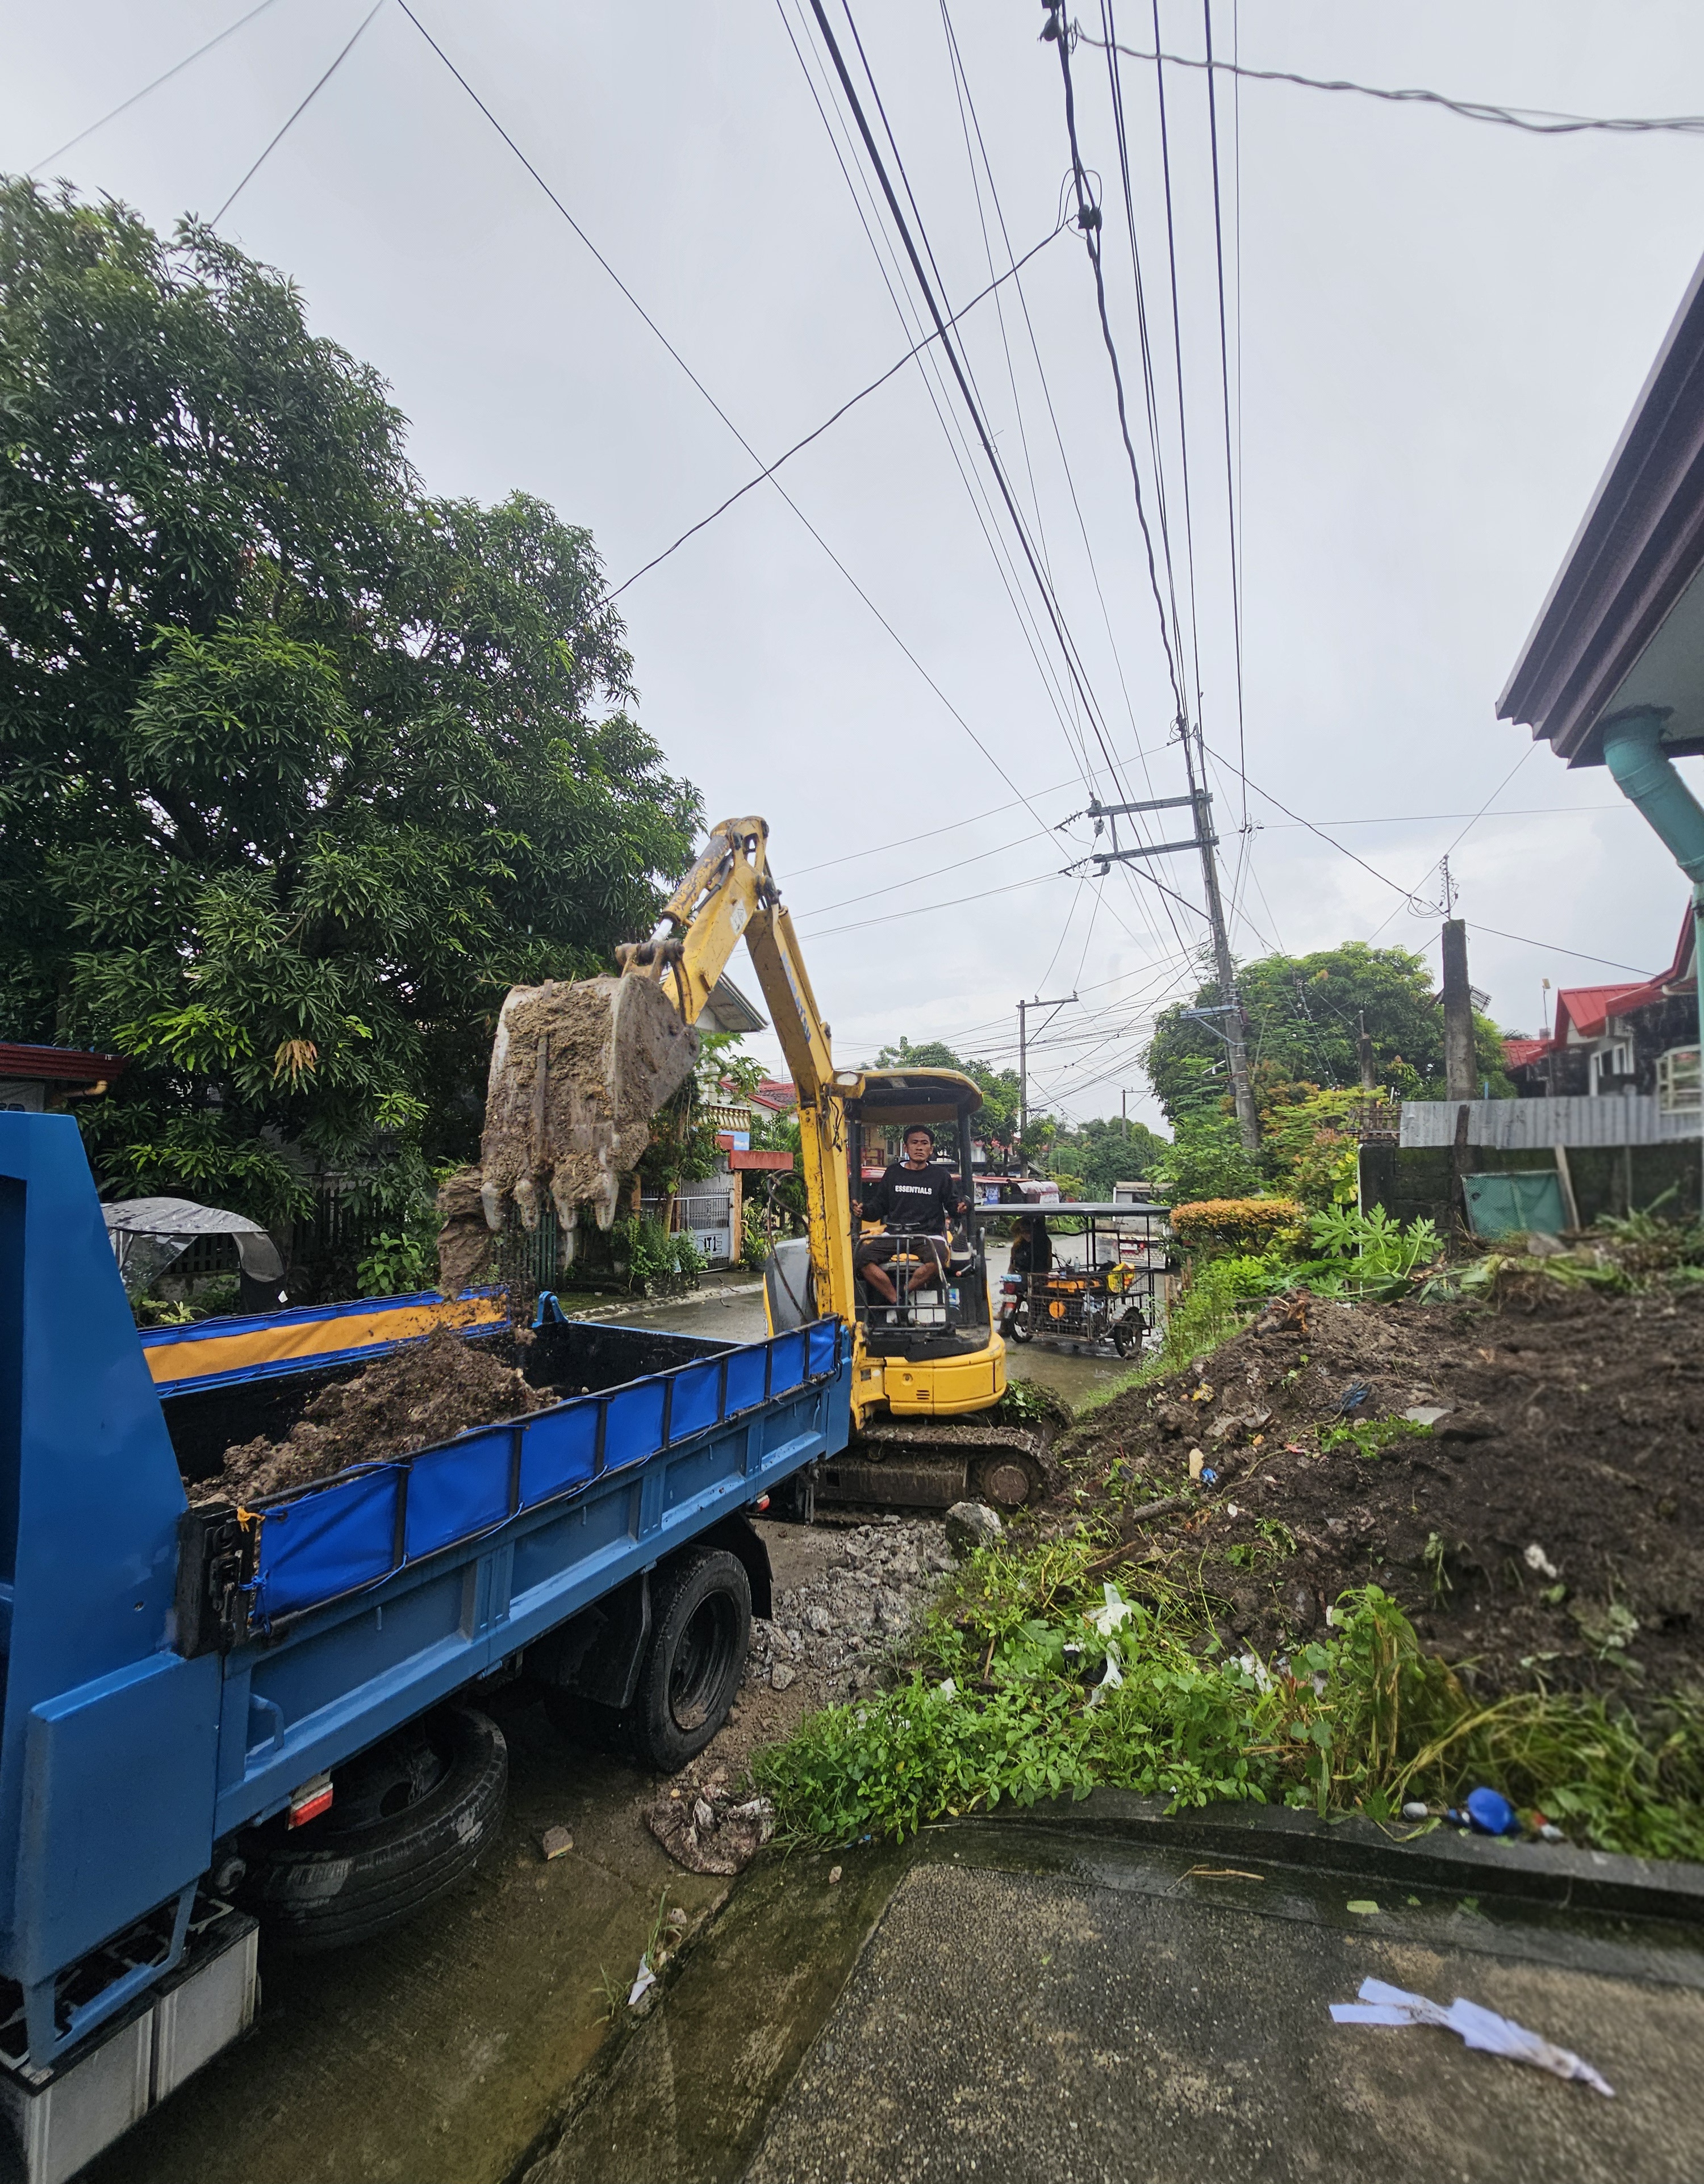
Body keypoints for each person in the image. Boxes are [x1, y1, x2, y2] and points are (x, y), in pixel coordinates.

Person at [853, 1124, 967, 1312]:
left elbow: (953, 1205)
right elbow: (878, 1207)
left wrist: (961, 1208)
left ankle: (905, 1292)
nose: (919, 1147)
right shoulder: (893, 1173)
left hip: (928, 1236)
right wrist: (863, 1211)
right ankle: (895, 1299)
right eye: (914, 1143)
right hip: (895, 1234)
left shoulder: (941, 1176)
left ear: (931, 1149)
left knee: (939, 1257)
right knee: (861, 1257)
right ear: (906, 1147)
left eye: (924, 1143)